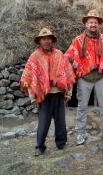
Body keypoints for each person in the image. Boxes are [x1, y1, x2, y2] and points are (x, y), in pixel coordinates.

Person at [65, 9, 103, 145]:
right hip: (84, 77)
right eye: (90, 22)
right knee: (82, 106)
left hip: (101, 77)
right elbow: (69, 54)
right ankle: (80, 133)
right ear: (86, 24)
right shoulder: (78, 40)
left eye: (95, 22)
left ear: (98, 24)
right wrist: (61, 62)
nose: (93, 24)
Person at [20, 27, 75, 156]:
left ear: (52, 40)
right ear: (39, 41)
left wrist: (68, 93)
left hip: (59, 93)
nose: (46, 41)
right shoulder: (35, 57)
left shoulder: (59, 55)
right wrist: (33, 98)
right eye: (43, 39)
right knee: (44, 122)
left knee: (61, 121)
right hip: (43, 95)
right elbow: (29, 77)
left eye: (48, 39)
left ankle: (61, 143)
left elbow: (68, 74)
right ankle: (40, 147)